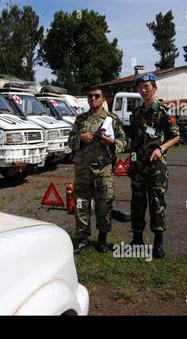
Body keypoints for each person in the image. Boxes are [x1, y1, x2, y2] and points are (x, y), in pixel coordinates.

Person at [127, 73, 180, 259]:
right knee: (137, 202)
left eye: (146, 87)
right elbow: (133, 141)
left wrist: (161, 148)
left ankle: (158, 243)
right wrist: (132, 161)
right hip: (139, 166)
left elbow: (176, 136)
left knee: (157, 202)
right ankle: (137, 239)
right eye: (140, 87)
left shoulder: (164, 111)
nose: (143, 90)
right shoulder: (136, 114)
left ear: (154, 88)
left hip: (156, 166)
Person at [68, 87, 127, 254]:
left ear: (103, 99)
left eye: (97, 96)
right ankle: (82, 239)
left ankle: (102, 238)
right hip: (83, 170)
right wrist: (80, 137)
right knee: (81, 205)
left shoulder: (111, 119)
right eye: (90, 96)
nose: (93, 98)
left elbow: (124, 141)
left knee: (104, 205)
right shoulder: (80, 120)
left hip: (103, 170)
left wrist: (112, 142)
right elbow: (69, 141)